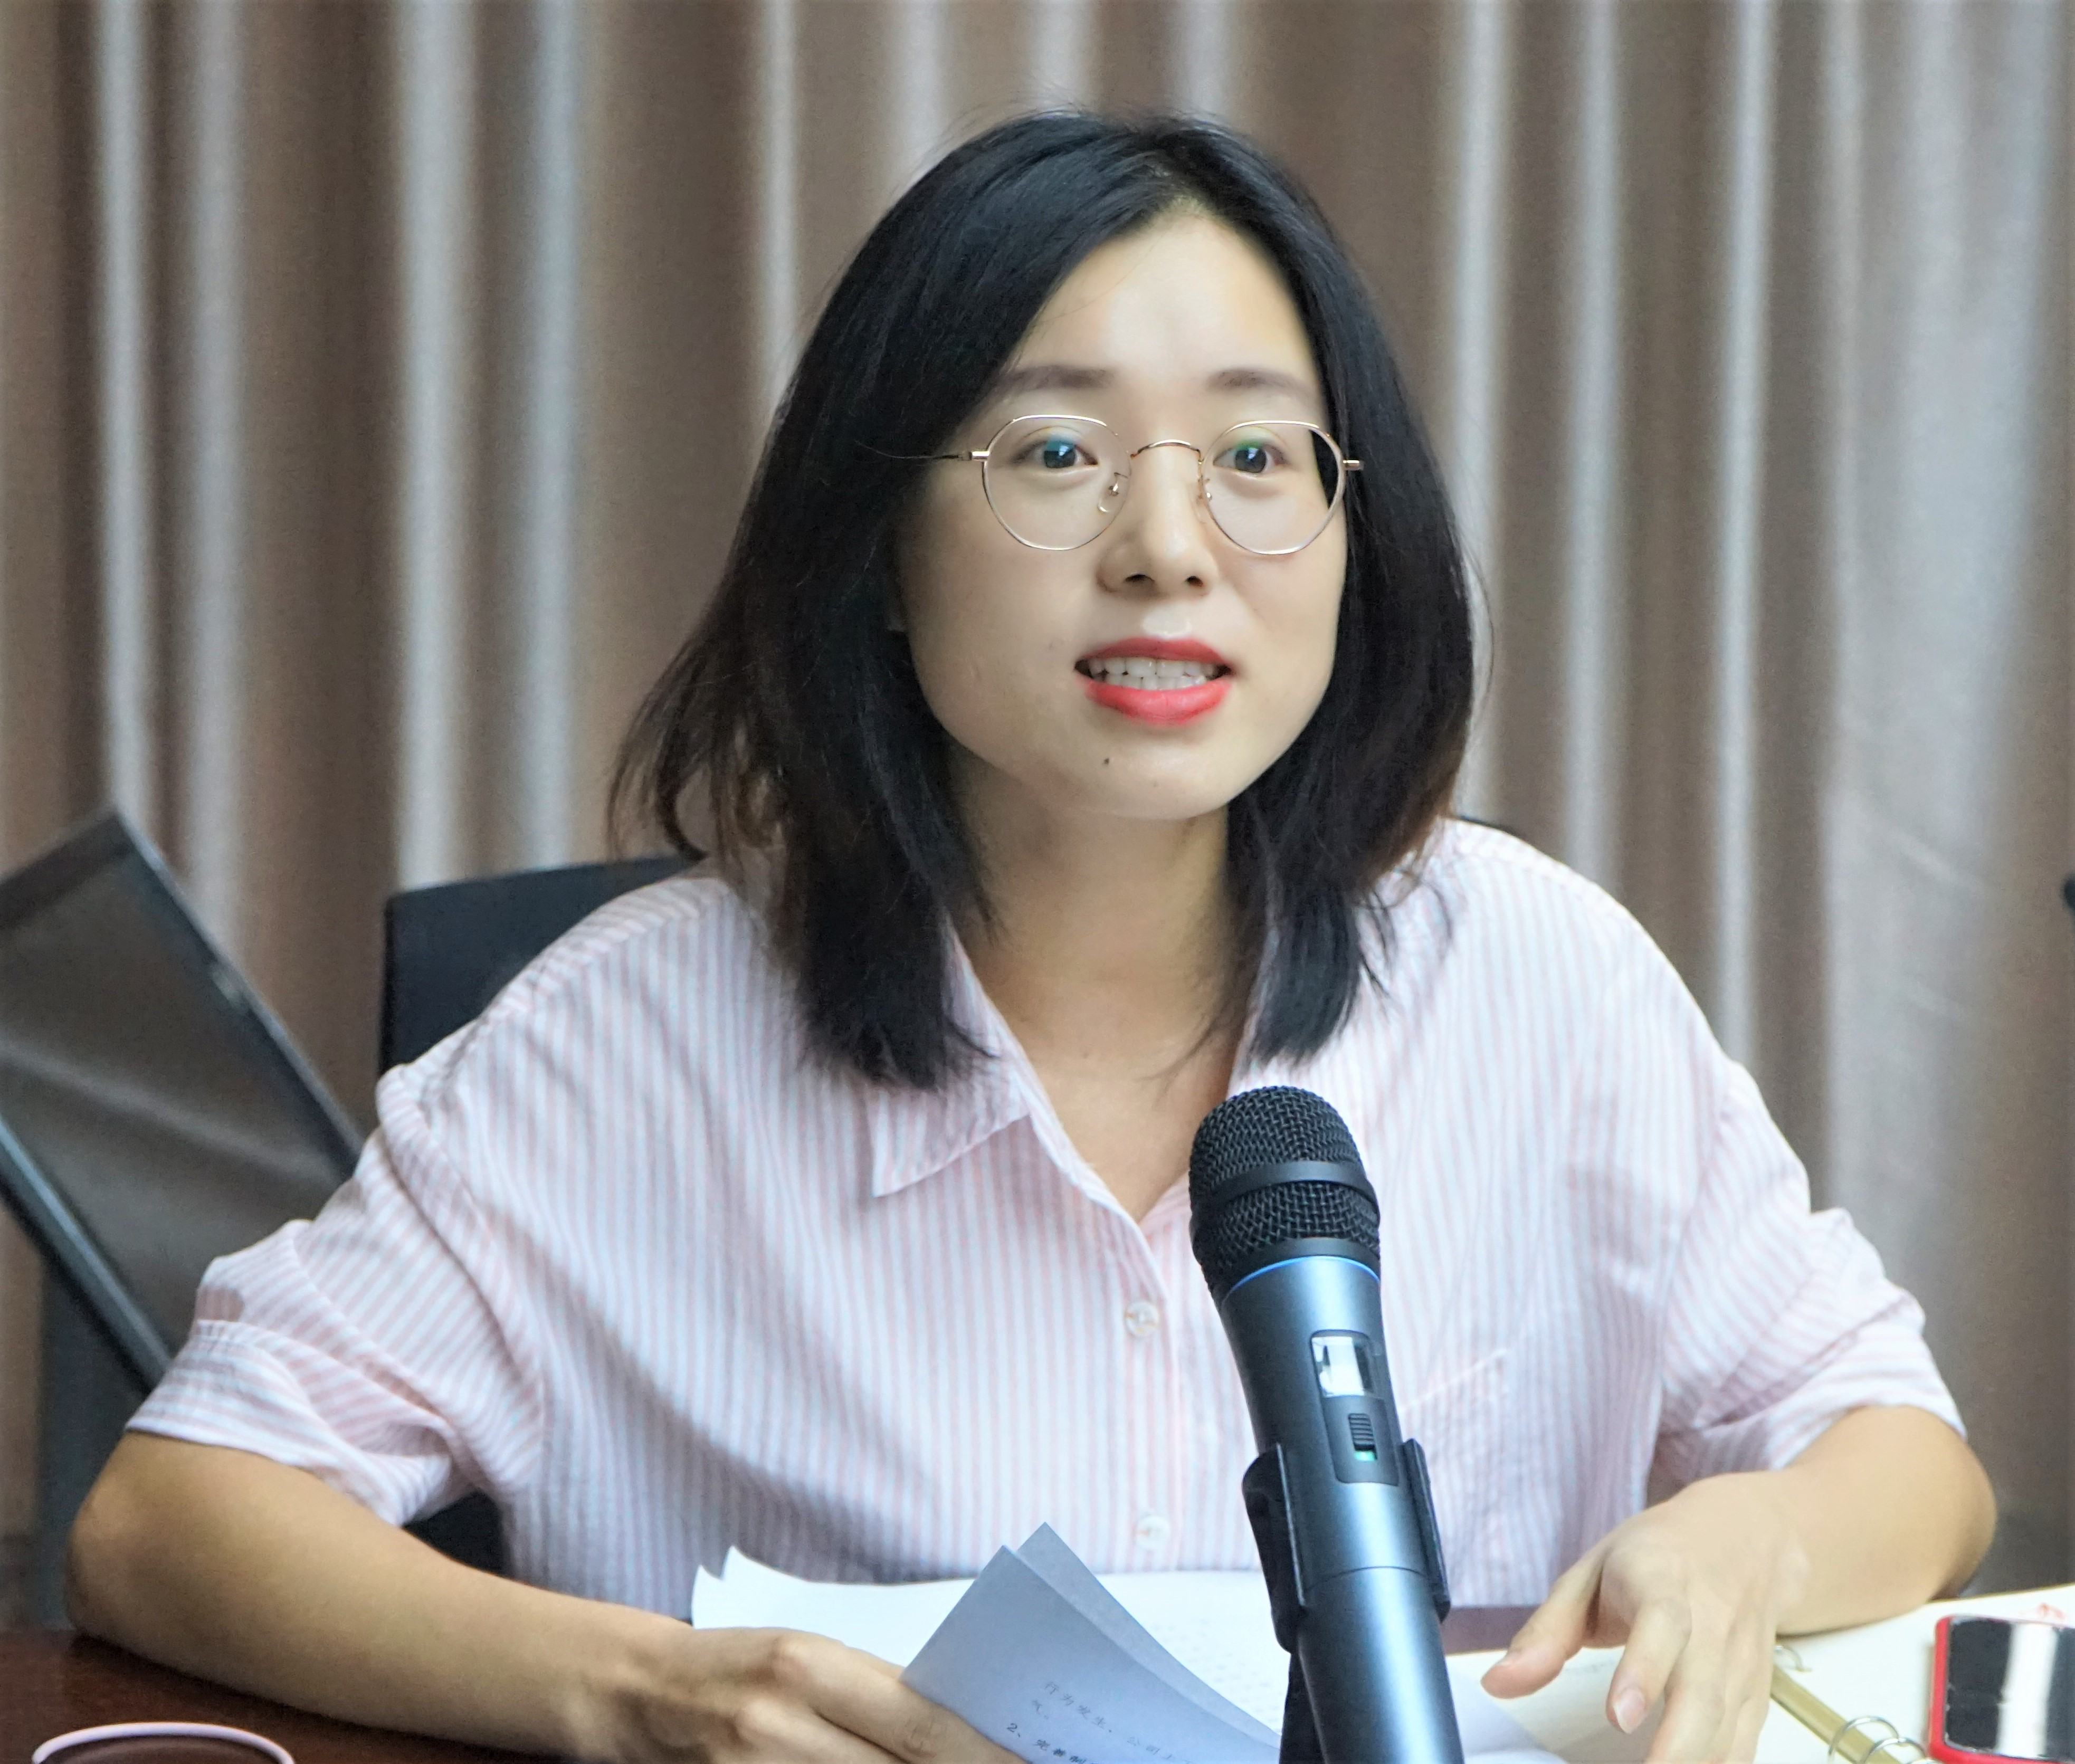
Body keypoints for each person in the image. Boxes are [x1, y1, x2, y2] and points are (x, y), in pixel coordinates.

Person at [68, 113, 1992, 1764]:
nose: (1169, 545)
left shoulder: (1543, 986)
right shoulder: (621, 1044)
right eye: (1056, 454)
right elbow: (168, 1520)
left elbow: (1902, 1455)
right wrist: (637, 1694)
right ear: (880, 554)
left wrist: (1750, 1543)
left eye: (1257, 458)